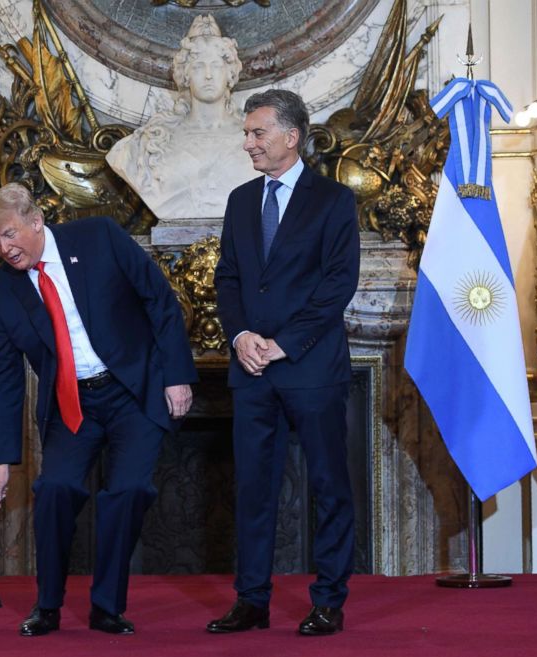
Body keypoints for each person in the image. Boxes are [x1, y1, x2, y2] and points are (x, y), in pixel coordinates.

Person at [0, 183, 197, 636]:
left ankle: (107, 607)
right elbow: (4, 376)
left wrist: (177, 376)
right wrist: (2, 460)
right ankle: (48, 606)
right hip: (72, 403)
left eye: (9, 234)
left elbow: (160, 300)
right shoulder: (1, 292)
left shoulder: (99, 237)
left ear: (36, 221)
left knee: (129, 491)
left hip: (132, 392)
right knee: (55, 488)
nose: (4, 247)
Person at [211, 89, 360, 635]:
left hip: (311, 367)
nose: (247, 143)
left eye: (257, 133)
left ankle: (328, 600)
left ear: (291, 137)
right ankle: (251, 600)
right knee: (252, 488)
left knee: (328, 486)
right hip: (251, 369)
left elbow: (338, 285)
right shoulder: (240, 200)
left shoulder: (334, 200)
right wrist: (241, 334)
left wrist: (285, 342)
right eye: (248, 134)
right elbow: (228, 278)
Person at [106, 15, 256, 219]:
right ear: (185, 75)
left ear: (230, 73)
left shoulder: (257, 139)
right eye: (198, 66)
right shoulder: (146, 144)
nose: (209, 75)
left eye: (216, 66)